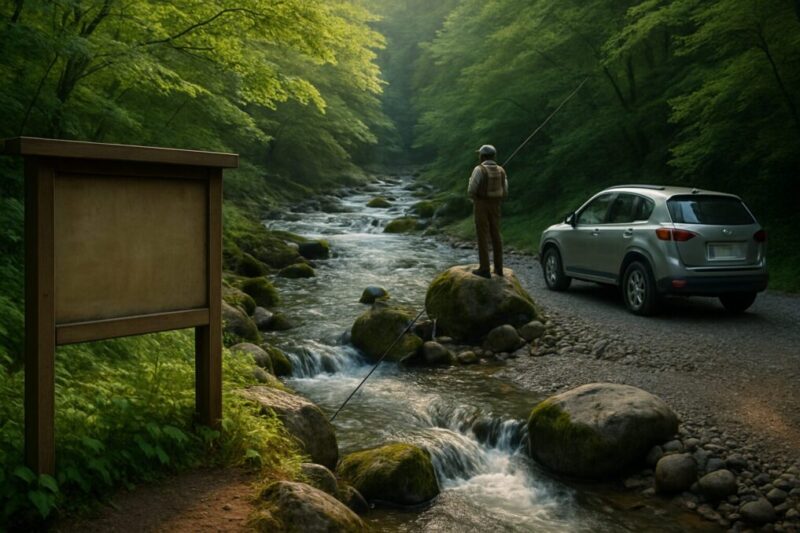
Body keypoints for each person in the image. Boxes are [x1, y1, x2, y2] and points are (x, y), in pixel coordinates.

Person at [467, 144, 508, 278]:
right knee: (496, 234)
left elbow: (471, 189)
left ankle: (484, 268)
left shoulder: (479, 170)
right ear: (494, 156)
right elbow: (505, 190)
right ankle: (498, 268)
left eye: (480, 154)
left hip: (481, 204)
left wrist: (475, 197)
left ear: (482, 156)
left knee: (482, 234)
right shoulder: (501, 170)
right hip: (496, 205)